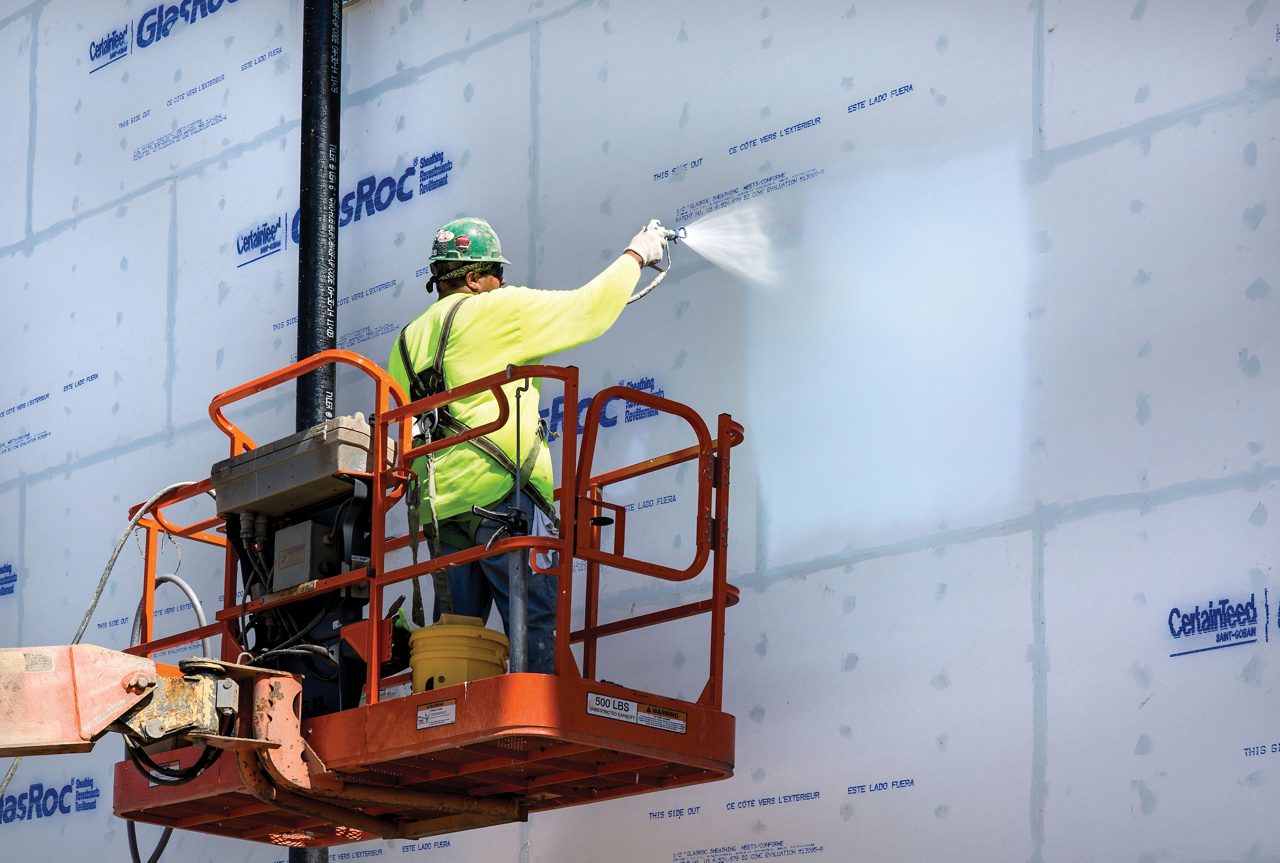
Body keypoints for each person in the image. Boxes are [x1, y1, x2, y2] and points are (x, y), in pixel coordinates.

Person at [387, 216, 669, 674]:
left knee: (457, 637)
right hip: (504, 499)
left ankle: (451, 710)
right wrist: (637, 254)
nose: (503, 283)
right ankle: (545, 709)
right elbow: (589, 310)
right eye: (497, 274)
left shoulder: (404, 342)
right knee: (535, 621)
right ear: (475, 278)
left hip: (441, 514)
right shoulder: (497, 308)